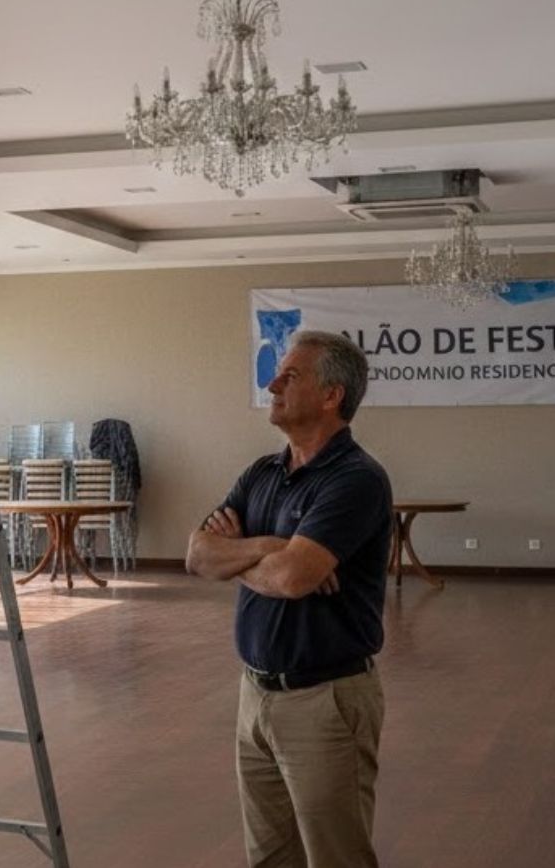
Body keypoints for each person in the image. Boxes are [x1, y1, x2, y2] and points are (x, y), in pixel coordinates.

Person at [186, 330, 392, 868]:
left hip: (325, 702)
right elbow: (197, 555)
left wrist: (245, 555)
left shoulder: (357, 479)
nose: (273, 382)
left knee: (337, 857)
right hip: (253, 696)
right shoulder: (262, 473)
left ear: (332, 396)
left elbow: (295, 579)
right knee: (270, 856)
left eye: (291, 375)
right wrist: (271, 547)